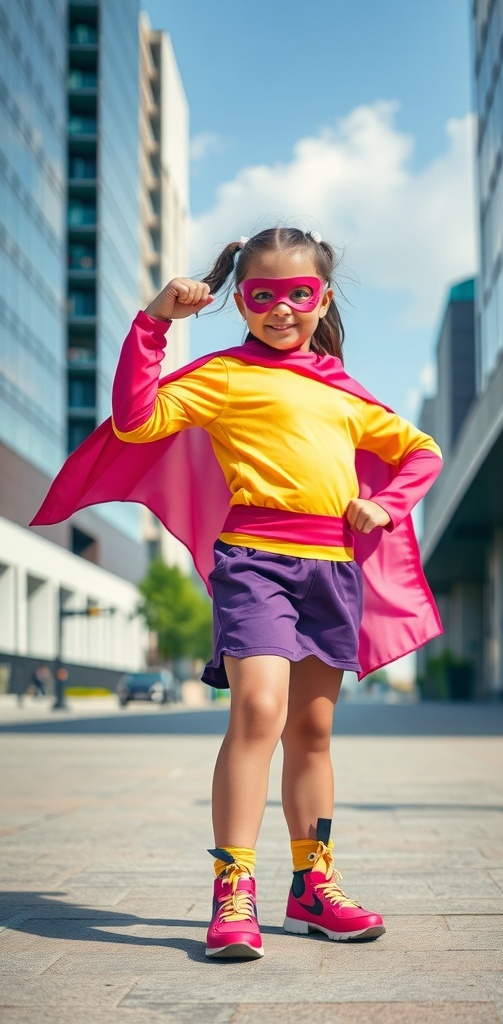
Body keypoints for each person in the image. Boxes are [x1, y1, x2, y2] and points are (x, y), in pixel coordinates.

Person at [32, 227, 443, 960]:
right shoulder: (222, 377)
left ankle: (313, 888)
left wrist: (389, 504)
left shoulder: (343, 389)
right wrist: (154, 322)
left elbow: (421, 450)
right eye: (262, 295)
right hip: (254, 561)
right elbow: (136, 421)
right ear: (241, 300)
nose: (281, 308)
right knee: (258, 709)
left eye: (299, 293)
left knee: (312, 733)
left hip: (332, 570)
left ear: (322, 298)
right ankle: (234, 887)